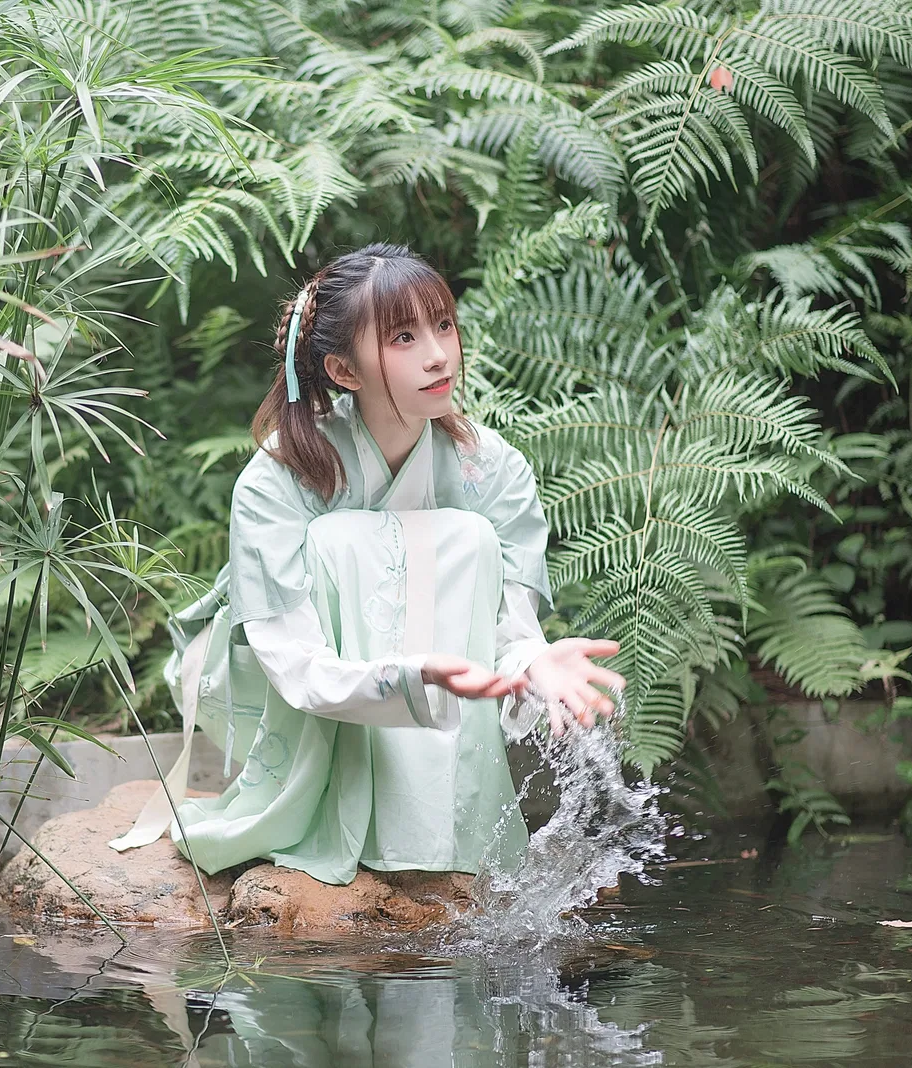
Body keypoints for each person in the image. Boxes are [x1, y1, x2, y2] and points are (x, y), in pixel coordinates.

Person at [110, 243, 624, 886]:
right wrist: (412, 674)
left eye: (443, 325)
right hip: (276, 680)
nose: (438, 355)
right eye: (404, 337)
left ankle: (433, 835)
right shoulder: (278, 478)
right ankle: (348, 816)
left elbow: (507, 633)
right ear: (343, 370)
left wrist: (532, 662)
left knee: (467, 537)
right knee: (345, 540)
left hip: (442, 695)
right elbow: (291, 660)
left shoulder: (492, 470)